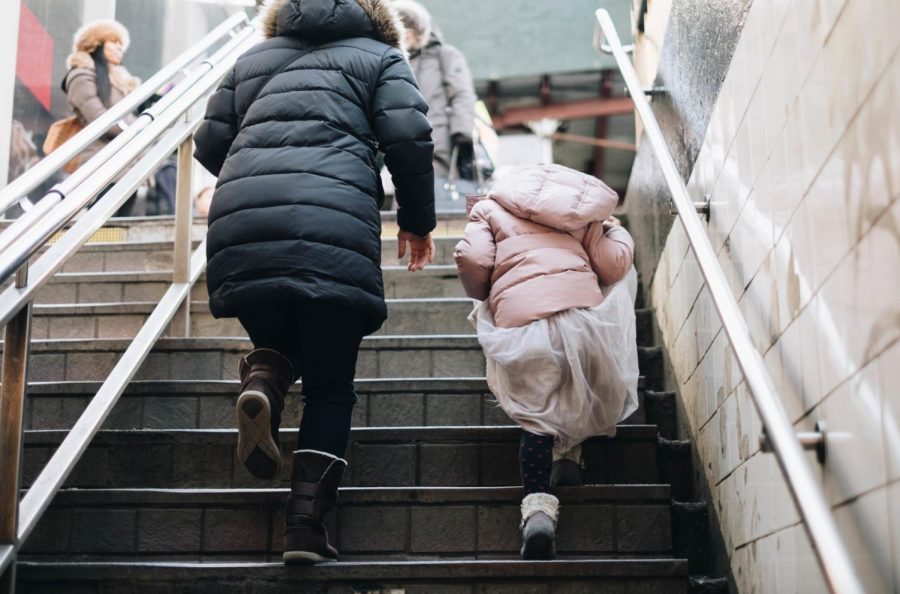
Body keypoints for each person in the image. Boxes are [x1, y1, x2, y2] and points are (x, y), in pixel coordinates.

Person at [193, 0, 435, 564]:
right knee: (329, 385)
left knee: (278, 335)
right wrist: (417, 222)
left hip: (243, 220)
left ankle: (266, 374)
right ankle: (304, 528)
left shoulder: (252, 59)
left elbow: (208, 145)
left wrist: (262, 167)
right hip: (331, 221)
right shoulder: (380, 57)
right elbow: (409, 137)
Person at [454, 163, 640, 560]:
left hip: (525, 327)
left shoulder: (488, 208)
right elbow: (613, 265)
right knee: (578, 387)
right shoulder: (579, 212)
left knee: (536, 415)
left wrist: (491, 290)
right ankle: (569, 456)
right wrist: (615, 229)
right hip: (583, 320)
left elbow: (471, 259)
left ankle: (538, 507)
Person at [63, 20, 141, 216]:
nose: (119, 48)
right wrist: (139, 127)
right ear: (95, 44)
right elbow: (100, 119)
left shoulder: (120, 80)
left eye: (121, 44)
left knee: (118, 228)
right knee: (101, 225)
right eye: (113, 42)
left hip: (127, 162)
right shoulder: (81, 76)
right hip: (101, 161)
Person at [393, 1, 477, 181]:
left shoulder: (445, 56)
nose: (405, 35)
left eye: (409, 29)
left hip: (438, 144)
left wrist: (462, 136)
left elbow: (462, 96)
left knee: (431, 195)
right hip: (402, 145)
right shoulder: (395, 61)